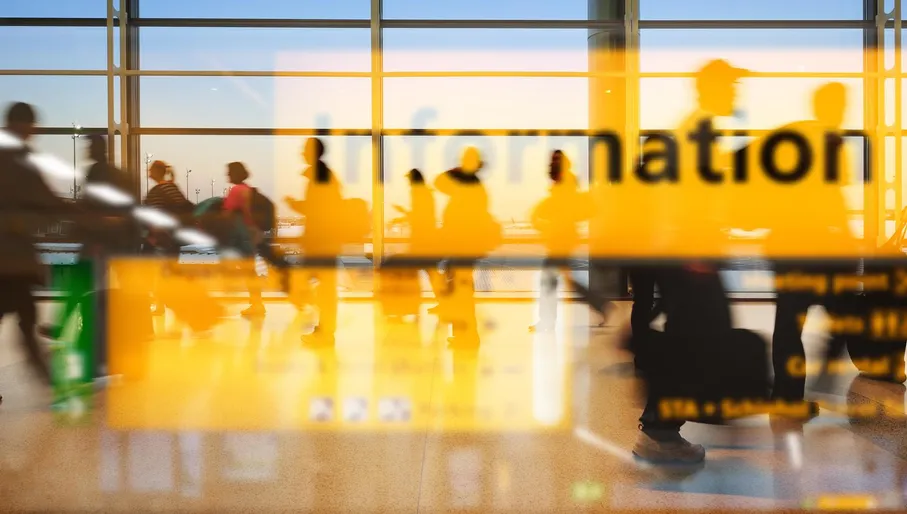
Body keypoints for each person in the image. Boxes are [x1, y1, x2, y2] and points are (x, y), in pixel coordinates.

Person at [631, 59, 747, 465]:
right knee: (696, 340)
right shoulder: (698, 130)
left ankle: (661, 427)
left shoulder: (697, 128)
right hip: (689, 254)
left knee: (692, 339)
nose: (736, 93)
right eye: (730, 86)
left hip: (685, 253)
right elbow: (686, 197)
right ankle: (661, 430)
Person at [0, 102, 72, 388]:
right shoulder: (18, 159)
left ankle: (51, 380)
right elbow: (47, 200)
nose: (35, 131)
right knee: (26, 321)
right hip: (11, 258)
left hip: (11, 258)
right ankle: (52, 381)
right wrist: (91, 219)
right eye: (32, 125)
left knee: (26, 319)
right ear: (22, 124)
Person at [39, 135, 136, 341]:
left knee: (79, 283)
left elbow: (92, 206)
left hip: (99, 239)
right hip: (114, 239)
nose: (87, 149)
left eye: (90, 145)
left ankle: (65, 326)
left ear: (98, 149)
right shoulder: (113, 173)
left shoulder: (97, 172)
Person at [430, 146, 501, 347]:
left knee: (461, 290)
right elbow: (441, 183)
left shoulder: (470, 189)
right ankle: (464, 333)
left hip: (463, 247)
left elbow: (440, 181)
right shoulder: (473, 187)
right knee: (461, 289)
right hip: (463, 247)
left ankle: (467, 335)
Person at [529, 150, 600, 332]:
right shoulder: (566, 182)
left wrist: (542, 215)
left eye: (554, 161)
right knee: (562, 280)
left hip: (561, 238)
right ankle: (601, 306)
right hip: (563, 237)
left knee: (549, 281)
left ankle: (547, 321)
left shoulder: (565, 183)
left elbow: (561, 208)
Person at [285, 138, 344, 346]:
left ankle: (325, 331)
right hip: (327, 240)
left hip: (321, 241)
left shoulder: (319, 177)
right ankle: (325, 330)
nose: (301, 153)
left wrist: (294, 204)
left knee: (320, 286)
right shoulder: (327, 175)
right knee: (325, 286)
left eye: (304, 150)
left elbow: (316, 209)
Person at [143, 160, 193, 315]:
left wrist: (152, 236)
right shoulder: (173, 188)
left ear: (157, 172)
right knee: (169, 271)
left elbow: (155, 216)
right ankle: (170, 304)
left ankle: (165, 305)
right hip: (175, 238)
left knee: (159, 272)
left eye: (150, 169)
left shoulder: (158, 190)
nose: (148, 172)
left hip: (161, 239)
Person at [222, 162, 265, 318]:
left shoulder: (236, 190)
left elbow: (228, 214)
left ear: (235, 174)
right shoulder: (247, 189)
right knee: (250, 270)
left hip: (243, 235)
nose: (227, 175)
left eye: (229, 172)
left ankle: (256, 304)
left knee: (247, 270)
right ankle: (256, 303)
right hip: (252, 232)